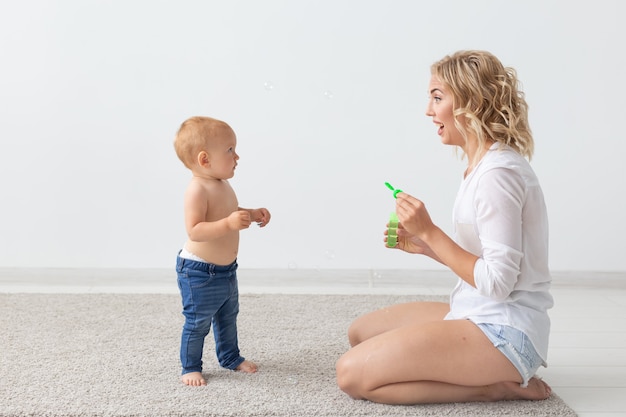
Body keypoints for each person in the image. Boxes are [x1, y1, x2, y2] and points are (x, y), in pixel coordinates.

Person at [336, 50, 553, 404]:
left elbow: (499, 284)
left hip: (506, 332)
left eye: (437, 98)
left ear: (471, 102)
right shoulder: (480, 167)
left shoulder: (498, 175)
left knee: (352, 375)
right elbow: (484, 262)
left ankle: (493, 386)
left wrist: (431, 230)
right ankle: (480, 371)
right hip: (479, 309)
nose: (428, 110)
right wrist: (425, 244)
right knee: (360, 334)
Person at [173, 116, 271, 386]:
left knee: (228, 316)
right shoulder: (197, 189)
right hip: (199, 271)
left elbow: (228, 213)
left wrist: (250, 214)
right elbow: (195, 230)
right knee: (198, 322)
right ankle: (190, 367)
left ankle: (230, 357)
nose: (236, 156)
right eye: (230, 150)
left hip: (226, 270)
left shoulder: (221, 183)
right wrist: (228, 223)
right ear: (205, 159)